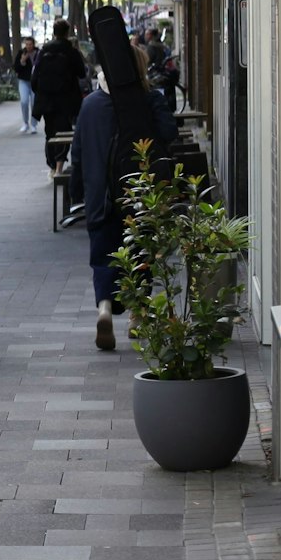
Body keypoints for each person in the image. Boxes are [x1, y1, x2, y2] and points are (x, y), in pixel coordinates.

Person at [71, 43, 176, 350]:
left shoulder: (90, 105)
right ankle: (138, 317)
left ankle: (104, 308)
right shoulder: (148, 99)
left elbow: (77, 152)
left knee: (103, 258)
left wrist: (78, 193)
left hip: (99, 197)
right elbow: (168, 132)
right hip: (140, 196)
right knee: (141, 255)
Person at [32, 20, 88, 170]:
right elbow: (82, 73)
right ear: (67, 33)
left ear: (54, 32)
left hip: (46, 100)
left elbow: (34, 77)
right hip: (66, 99)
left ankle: (51, 165)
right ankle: (59, 165)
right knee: (64, 131)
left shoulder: (43, 51)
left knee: (49, 132)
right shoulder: (71, 51)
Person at [14, 36, 40, 134]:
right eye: (27, 44)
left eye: (30, 44)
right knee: (24, 102)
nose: (28, 46)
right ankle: (25, 123)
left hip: (35, 82)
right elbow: (16, 68)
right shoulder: (22, 53)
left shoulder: (38, 53)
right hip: (24, 81)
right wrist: (22, 61)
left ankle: (33, 125)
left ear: (33, 44)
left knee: (34, 104)